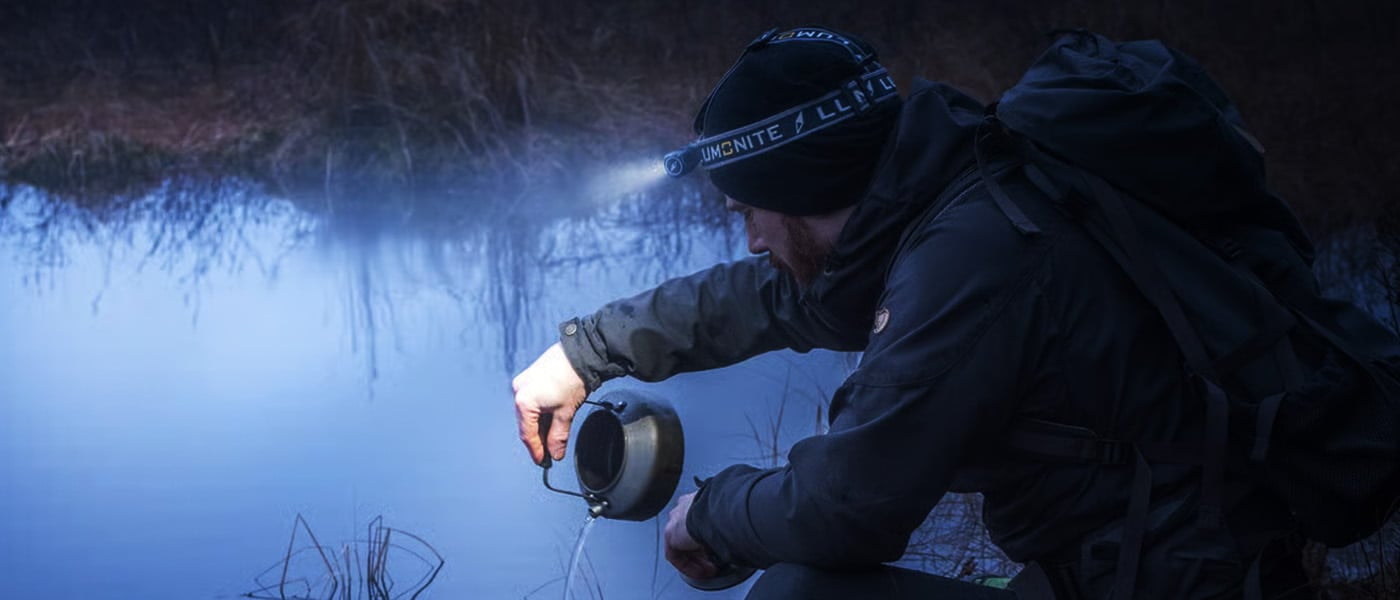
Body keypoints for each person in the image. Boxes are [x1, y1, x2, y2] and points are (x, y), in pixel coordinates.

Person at [511, 27, 1316, 599]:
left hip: (1171, 585)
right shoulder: (950, 198)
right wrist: (588, 353)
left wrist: (708, 515)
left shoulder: (969, 262)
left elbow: (844, 511)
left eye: (749, 211)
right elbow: (775, 299)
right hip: (1111, 572)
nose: (751, 238)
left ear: (805, 190)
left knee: (799, 594)